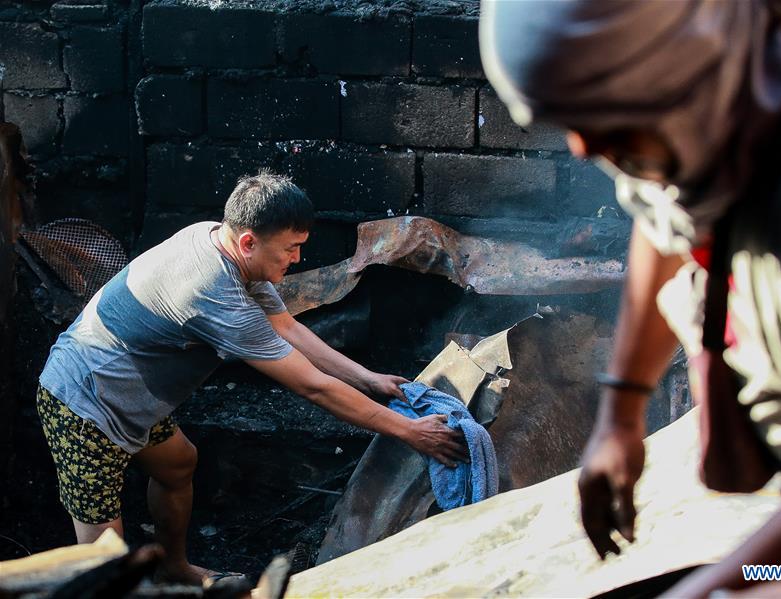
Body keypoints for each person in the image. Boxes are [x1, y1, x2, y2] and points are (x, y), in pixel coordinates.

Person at [480, 0, 781, 595]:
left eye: (596, 118)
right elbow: (666, 220)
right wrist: (620, 417)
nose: (580, 147)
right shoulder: (700, 97)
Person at [36, 171, 467, 586]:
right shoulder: (215, 293)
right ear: (248, 241)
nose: (298, 258)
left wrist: (368, 378)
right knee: (104, 558)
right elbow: (311, 386)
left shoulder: (221, 243)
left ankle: (173, 567)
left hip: (133, 396)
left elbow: (288, 328)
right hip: (84, 403)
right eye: (291, 248)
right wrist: (411, 431)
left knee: (178, 463)